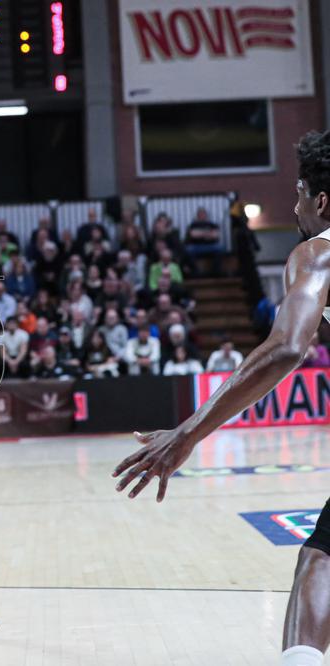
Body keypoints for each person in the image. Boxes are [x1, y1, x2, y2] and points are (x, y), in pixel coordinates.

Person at [113, 129, 330, 666]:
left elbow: (285, 348)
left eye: (300, 190)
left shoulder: (318, 253)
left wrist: (186, 434)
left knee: (320, 561)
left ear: (322, 201)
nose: (294, 202)